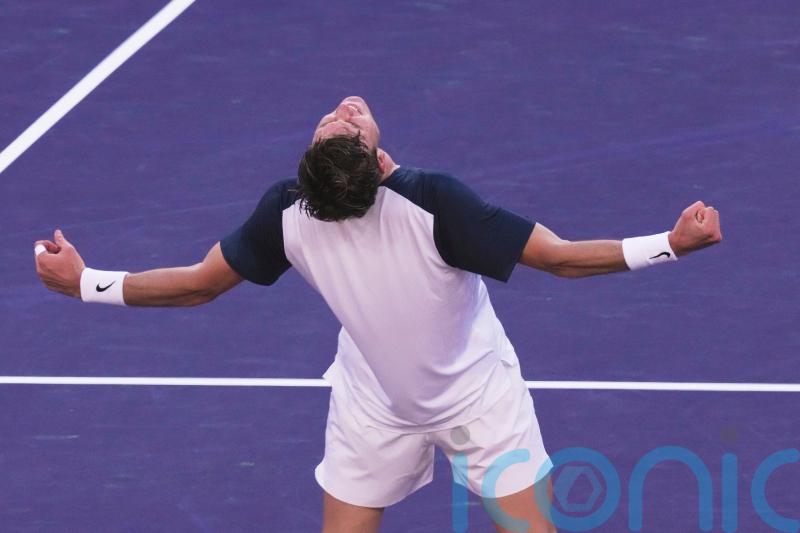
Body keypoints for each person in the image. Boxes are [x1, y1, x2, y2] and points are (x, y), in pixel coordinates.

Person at [34, 96, 722, 533]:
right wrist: (672, 244)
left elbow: (196, 286)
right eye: (344, 124)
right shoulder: (422, 201)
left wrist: (87, 284)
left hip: (480, 400)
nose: (347, 108)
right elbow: (562, 259)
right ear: (369, 165)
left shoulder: (302, 210)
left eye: (347, 121)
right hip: (374, 406)